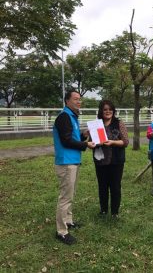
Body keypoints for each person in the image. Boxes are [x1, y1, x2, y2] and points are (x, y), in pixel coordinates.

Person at [53, 90, 95, 245]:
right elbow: (66, 141)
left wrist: (84, 134)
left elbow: (73, 138)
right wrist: (86, 144)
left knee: (70, 194)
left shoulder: (72, 117)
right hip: (66, 162)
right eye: (76, 99)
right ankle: (61, 231)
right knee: (65, 197)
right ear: (67, 101)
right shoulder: (64, 117)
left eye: (80, 99)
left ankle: (68, 221)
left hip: (73, 161)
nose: (79, 102)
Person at [93, 100, 129, 218]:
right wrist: (93, 143)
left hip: (116, 160)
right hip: (100, 160)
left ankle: (114, 212)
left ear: (113, 111)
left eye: (110, 109)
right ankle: (103, 209)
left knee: (115, 186)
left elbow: (125, 142)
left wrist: (113, 142)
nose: (108, 111)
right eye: (105, 109)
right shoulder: (96, 124)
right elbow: (90, 142)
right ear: (101, 111)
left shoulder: (119, 123)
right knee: (102, 186)